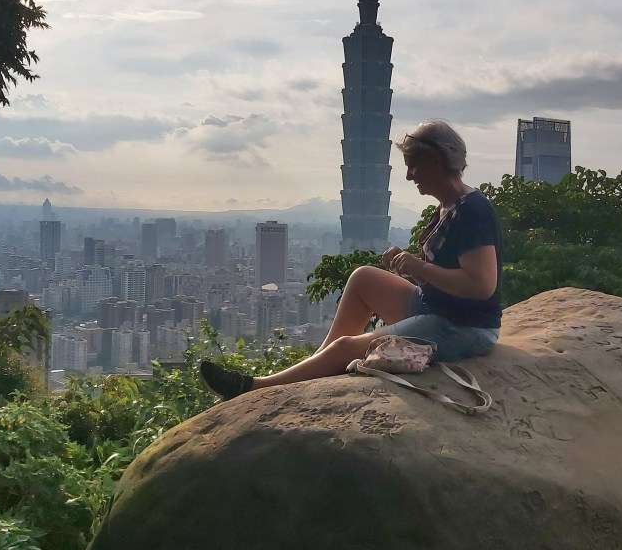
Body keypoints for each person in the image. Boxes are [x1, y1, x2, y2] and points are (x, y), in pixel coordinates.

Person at [200, 120, 503, 400]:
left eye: (413, 166)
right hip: (436, 305)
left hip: (463, 326)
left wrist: (419, 266)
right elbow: (449, 271)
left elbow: (481, 286)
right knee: (363, 278)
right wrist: (410, 267)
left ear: (436, 162)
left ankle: (252, 389)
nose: (409, 175)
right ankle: (320, 362)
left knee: (347, 347)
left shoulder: (471, 211)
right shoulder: (446, 207)